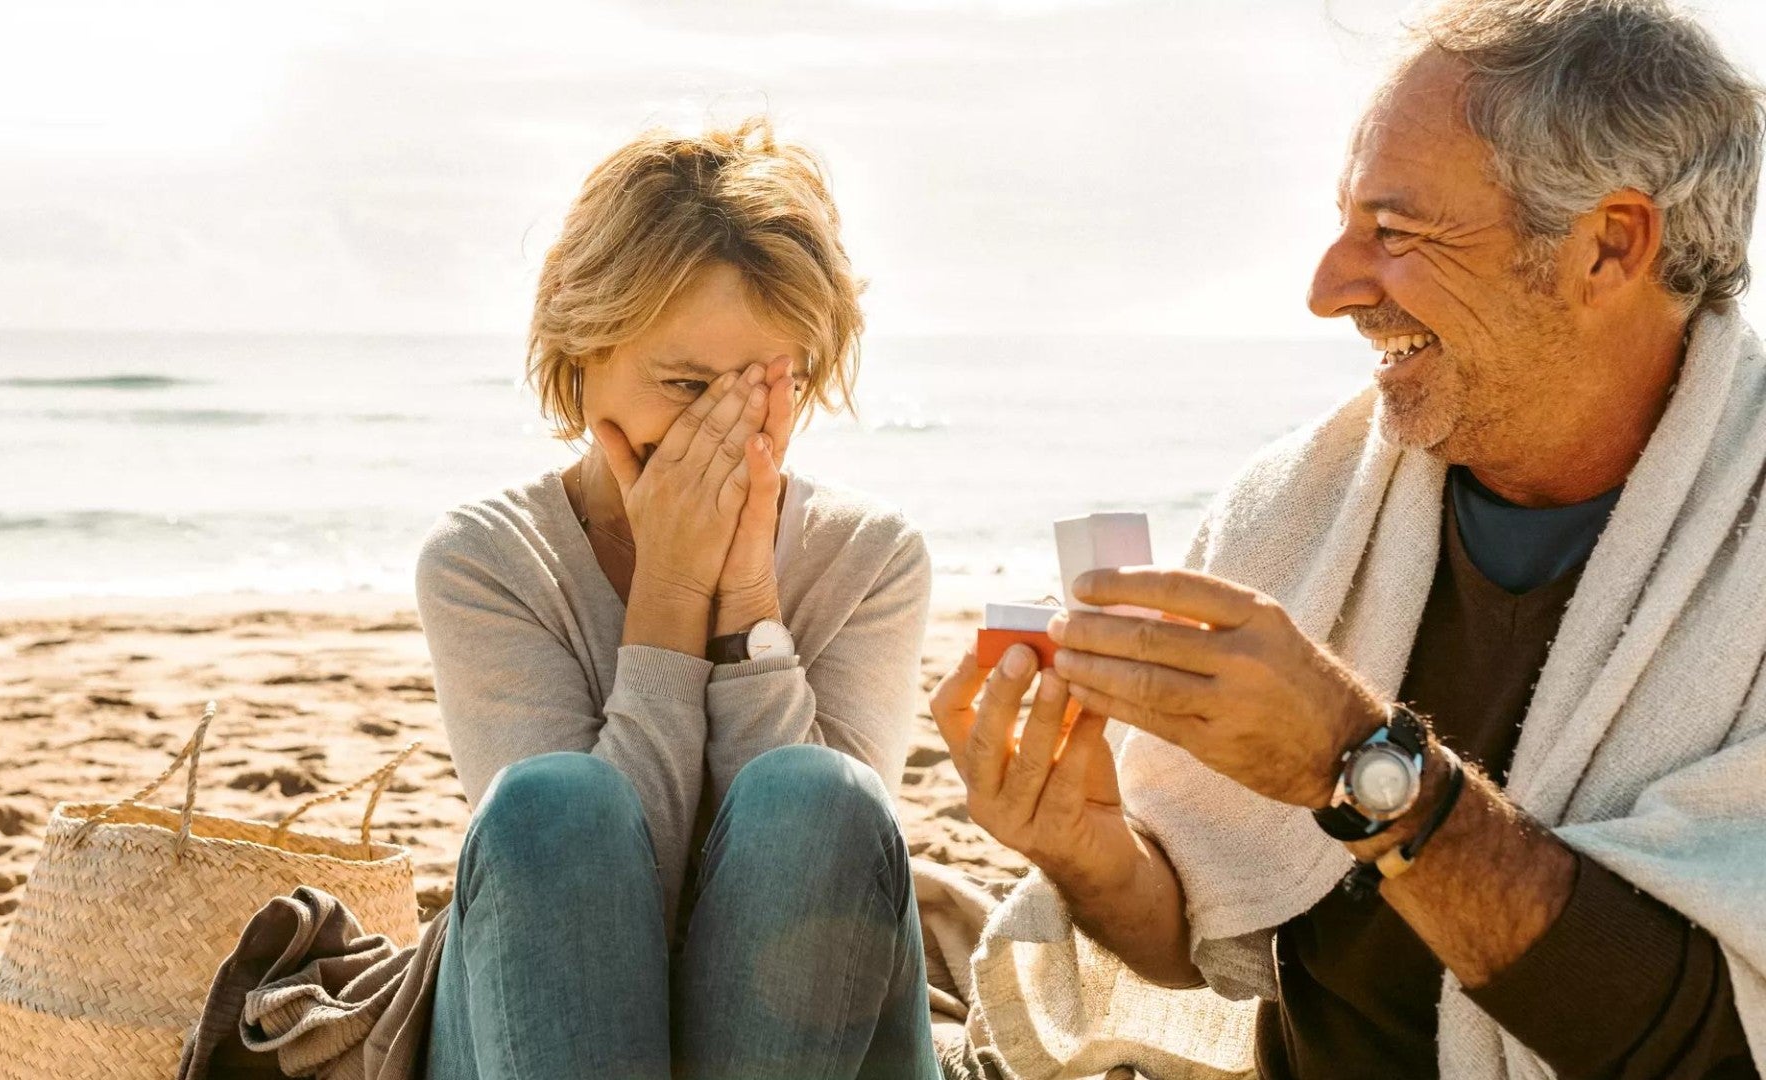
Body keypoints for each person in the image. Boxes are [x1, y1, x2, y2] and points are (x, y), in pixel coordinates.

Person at [934, 1, 1765, 1077]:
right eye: (1343, 221)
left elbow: (1709, 1049)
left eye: (1396, 229)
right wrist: (1091, 853)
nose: (1328, 289)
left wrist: (1360, 766)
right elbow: (1204, 944)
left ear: (1608, 246)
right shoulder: (1296, 512)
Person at [415, 118, 937, 1079]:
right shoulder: (486, 560)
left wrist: (745, 599)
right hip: (549, 1025)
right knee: (556, 804)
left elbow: (817, 898)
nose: (721, 430)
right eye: (687, 383)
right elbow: (585, 913)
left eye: (760, 389)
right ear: (580, 349)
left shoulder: (871, 558)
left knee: (817, 795)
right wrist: (668, 593)